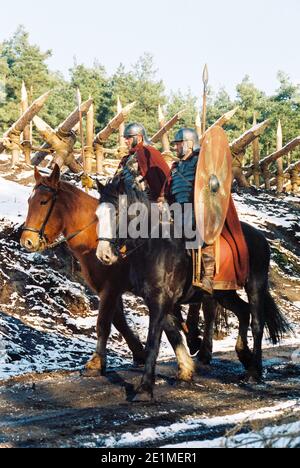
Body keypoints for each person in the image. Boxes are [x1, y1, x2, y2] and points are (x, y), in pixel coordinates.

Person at [165, 128, 249, 295]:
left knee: (199, 230)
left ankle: (208, 277)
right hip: (177, 209)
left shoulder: (201, 161)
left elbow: (214, 183)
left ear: (189, 144)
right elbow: (169, 189)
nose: (175, 148)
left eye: (178, 144)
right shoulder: (176, 166)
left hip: (201, 208)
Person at [116, 123, 170, 202]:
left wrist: (160, 198)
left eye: (128, 138)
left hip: (147, 202)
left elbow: (164, 180)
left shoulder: (150, 152)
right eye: (125, 138)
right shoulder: (126, 159)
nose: (125, 141)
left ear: (139, 138)